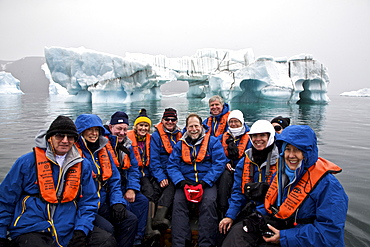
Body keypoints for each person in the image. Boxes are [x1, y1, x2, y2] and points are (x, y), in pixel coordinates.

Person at [225, 125, 349, 246]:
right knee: (238, 233)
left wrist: (285, 237)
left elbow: (329, 234)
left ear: (307, 152)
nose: (291, 155)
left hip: (301, 239)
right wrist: (258, 216)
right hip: (284, 229)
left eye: (297, 150)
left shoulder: (329, 187)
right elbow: (274, 205)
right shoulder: (282, 175)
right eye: (288, 149)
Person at [0, 115, 110, 247]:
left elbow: (89, 201)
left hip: (68, 225)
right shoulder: (26, 162)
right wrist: (1, 234)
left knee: (106, 241)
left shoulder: (83, 165)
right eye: (59, 136)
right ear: (49, 138)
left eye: (70, 137)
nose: (65, 140)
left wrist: (81, 230)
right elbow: (6, 199)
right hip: (32, 226)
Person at [75, 114, 138, 247]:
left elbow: (114, 179)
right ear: (81, 131)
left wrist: (116, 202)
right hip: (83, 205)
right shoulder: (74, 153)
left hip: (103, 200)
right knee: (108, 229)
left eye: (96, 130)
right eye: (89, 130)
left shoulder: (103, 151)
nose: (93, 134)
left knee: (130, 220)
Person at [167, 113, 228, 247]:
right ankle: (180, 243)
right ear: (186, 128)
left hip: (206, 182)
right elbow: (172, 165)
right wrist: (181, 181)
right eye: (190, 126)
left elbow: (219, 163)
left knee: (209, 203)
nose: (193, 129)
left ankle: (206, 243)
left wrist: (206, 181)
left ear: (201, 126)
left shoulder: (213, 142)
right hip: (186, 182)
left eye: (196, 126)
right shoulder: (179, 145)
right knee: (178, 203)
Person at [219, 119, 279, 246]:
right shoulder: (245, 162)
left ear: (270, 136)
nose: (258, 139)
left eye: (262, 135)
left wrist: (259, 214)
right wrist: (230, 216)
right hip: (251, 211)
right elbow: (238, 192)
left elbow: (283, 195)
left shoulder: (281, 162)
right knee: (228, 236)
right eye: (255, 136)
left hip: (273, 213)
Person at [104, 111, 149, 246]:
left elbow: (134, 169)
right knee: (126, 207)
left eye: (124, 129)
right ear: (111, 127)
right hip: (110, 189)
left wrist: (131, 188)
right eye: (118, 129)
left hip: (124, 186)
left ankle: (138, 238)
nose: (122, 133)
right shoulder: (104, 146)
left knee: (143, 201)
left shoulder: (127, 146)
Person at [127, 109, 161, 243]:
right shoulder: (128, 139)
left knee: (152, 191)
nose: (143, 128)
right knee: (147, 193)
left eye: (146, 126)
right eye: (141, 125)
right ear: (135, 126)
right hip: (133, 172)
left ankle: (149, 226)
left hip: (145, 172)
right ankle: (147, 229)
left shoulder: (150, 139)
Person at [150, 108, 182, 230]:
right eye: (167, 119)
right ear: (162, 120)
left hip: (175, 171)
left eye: (173, 119)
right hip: (162, 172)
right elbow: (154, 160)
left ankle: (160, 217)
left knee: (173, 185)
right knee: (158, 188)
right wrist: (161, 176)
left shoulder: (181, 135)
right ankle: (156, 219)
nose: (170, 122)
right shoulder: (156, 137)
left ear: (176, 121)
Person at [217, 110, 251, 218]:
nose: (233, 124)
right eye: (231, 122)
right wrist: (226, 162)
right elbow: (216, 152)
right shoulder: (222, 137)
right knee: (225, 177)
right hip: (227, 169)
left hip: (243, 168)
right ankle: (223, 209)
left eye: (236, 121)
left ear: (242, 122)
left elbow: (251, 153)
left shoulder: (250, 137)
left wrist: (239, 166)